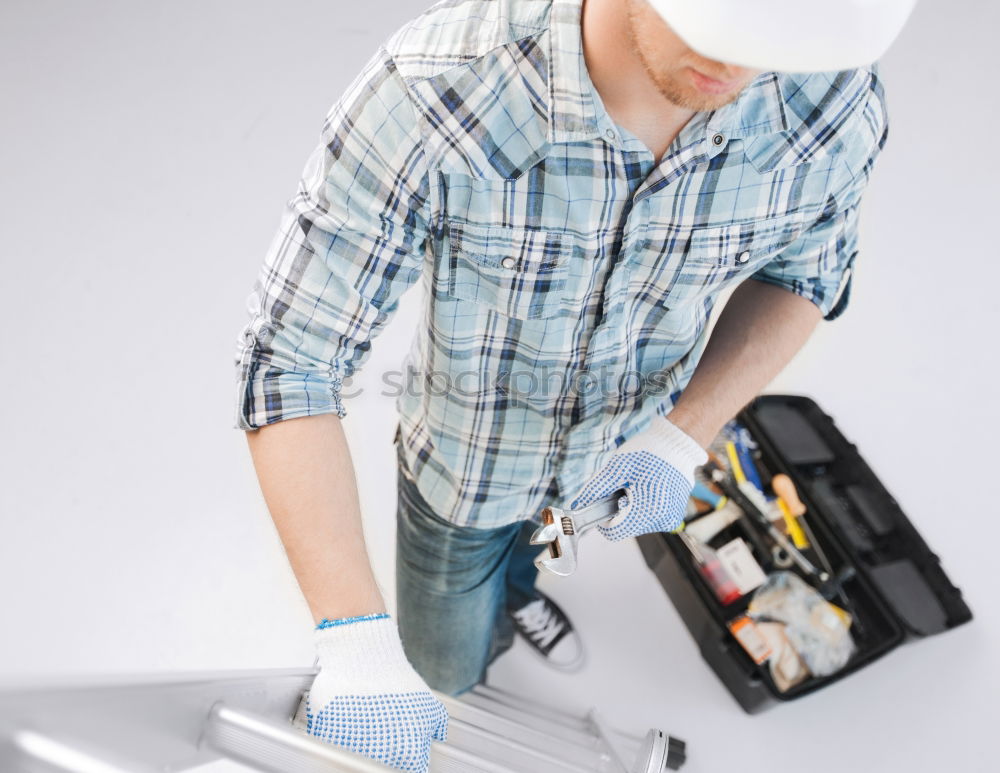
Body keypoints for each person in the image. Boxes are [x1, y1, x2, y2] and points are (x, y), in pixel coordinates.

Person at [233, 0, 914, 770]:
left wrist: (680, 433)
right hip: (465, 476)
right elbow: (290, 363)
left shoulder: (831, 97)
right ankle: (470, 652)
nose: (739, 69)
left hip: (610, 466)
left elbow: (805, 277)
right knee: (444, 675)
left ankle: (519, 600)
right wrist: (353, 639)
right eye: (719, 29)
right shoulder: (435, 90)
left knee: (530, 561)